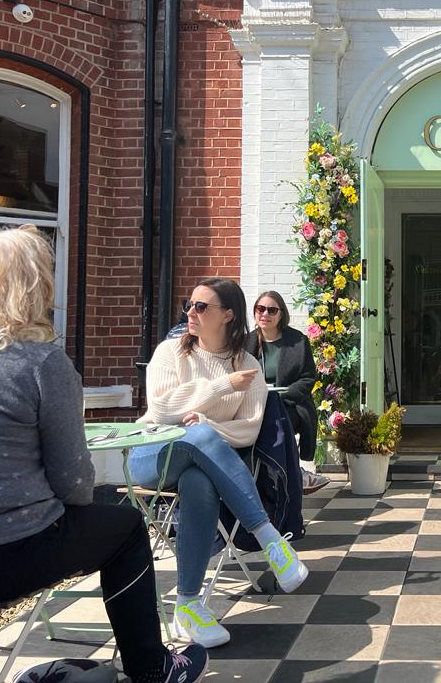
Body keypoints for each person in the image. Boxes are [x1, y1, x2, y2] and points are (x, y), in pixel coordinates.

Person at [0, 225, 207, 683]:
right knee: (128, 526)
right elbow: (75, 481)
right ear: (32, 286)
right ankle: (152, 667)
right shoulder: (40, 363)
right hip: (12, 549)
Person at [130, 278, 310, 649]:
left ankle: (189, 604)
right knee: (198, 438)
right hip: (151, 455)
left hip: (201, 464)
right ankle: (269, 539)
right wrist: (222, 386)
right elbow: (162, 410)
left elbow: (245, 432)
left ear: (228, 315)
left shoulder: (249, 366)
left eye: (201, 307)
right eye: (189, 305)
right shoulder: (171, 353)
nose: (190, 314)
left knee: (200, 478)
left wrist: (207, 424)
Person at [244, 290, 330, 493]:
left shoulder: (297, 341)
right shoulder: (245, 342)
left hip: (289, 402)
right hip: (253, 402)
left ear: (281, 314)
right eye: (260, 309)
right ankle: (280, 474)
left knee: (278, 421)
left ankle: (287, 473)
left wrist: (282, 396)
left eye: (271, 310)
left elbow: (308, 377)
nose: (265, 314)